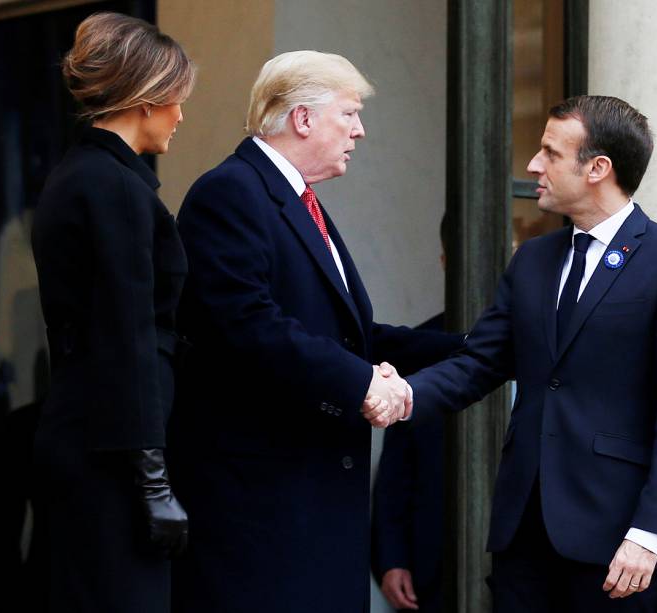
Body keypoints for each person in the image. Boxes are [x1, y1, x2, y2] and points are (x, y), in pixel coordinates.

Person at [169, 50, 463, 613]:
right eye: (349, 114)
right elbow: (247, 324)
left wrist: (473, 348)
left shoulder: (300, 202)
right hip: (262, 513)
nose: (360, 130)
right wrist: (362, 385)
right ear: (303, 119)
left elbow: (352, 336)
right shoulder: (230, 192)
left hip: (307, 505)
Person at [403, 94, 657, 612]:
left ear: (598, 168)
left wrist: (651, 532)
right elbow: (480, 361)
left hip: (617, 540)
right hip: (522, 533)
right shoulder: (532, 259)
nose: (532, 165)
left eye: (549, 152)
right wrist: (403, 395)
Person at [31, 12, 195, 613]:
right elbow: (126, 336)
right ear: (147, 99)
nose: (181, 114)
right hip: (114, 458)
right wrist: (153, 482)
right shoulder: (112, 186)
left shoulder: (84, 176)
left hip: (96, 442)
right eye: (176, 98)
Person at [372, 216, 452, 613]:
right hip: (434, 562)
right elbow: (395, 469)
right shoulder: (420, 348)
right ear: (444, 261)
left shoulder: (553, 347)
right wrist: (391, 557)